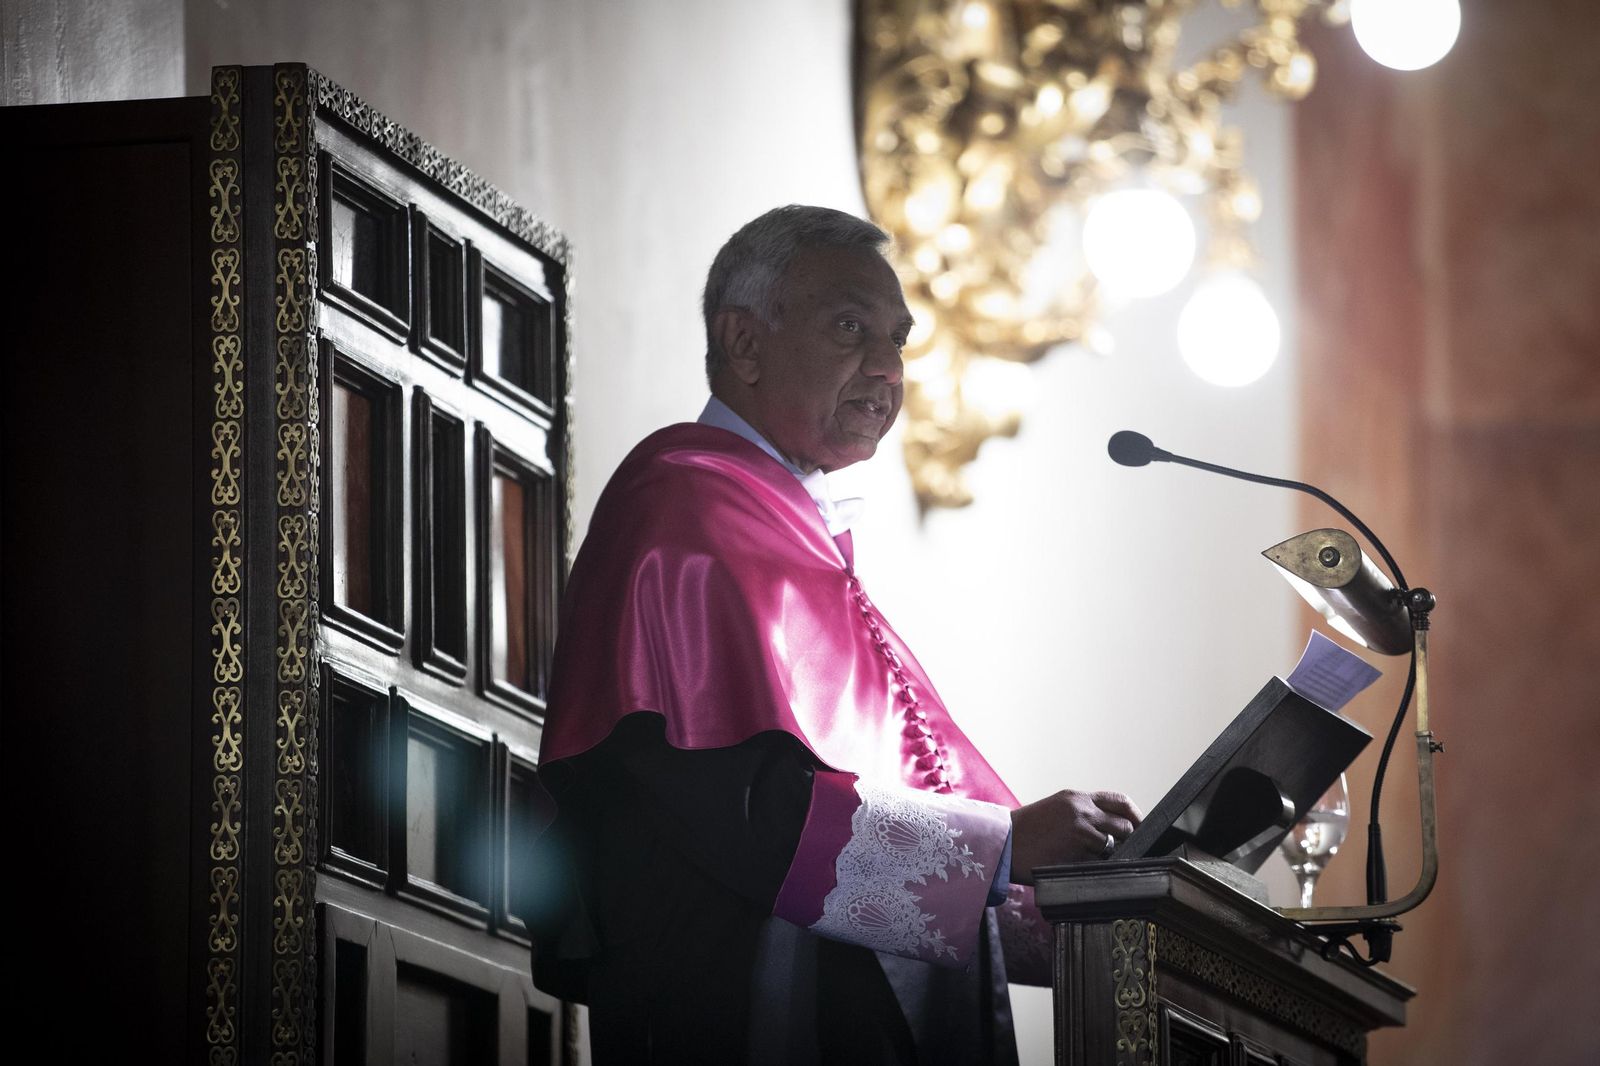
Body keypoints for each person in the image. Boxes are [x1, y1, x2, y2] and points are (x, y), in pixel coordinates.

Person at [527, 205, 1141, 1064]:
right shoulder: (684, 503)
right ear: (744, 344)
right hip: (744, 1005)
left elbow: (885, 785)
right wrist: (1004, 848)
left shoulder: (789, 526)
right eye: (851, 328)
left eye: (899, 339)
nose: (888, 368)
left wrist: (1102, 883)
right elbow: (729, 800)